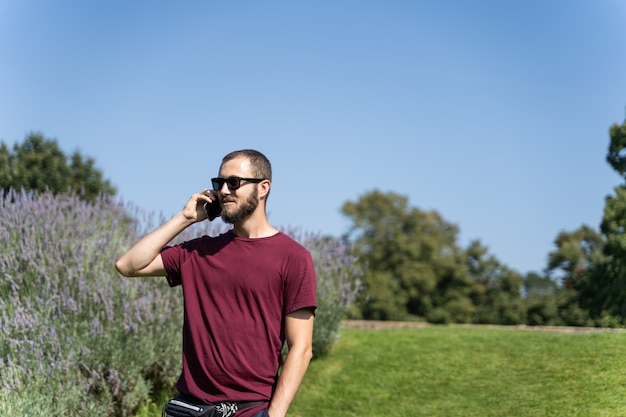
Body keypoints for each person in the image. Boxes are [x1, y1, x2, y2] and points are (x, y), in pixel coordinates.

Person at [115, 149, 317, 417]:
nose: (223, 191)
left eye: (234, 183)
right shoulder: (199, 252)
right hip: (187, 408)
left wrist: (273, 415)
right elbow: (129, 265)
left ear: (263, 188)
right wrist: (185, 218)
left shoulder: (293, 258)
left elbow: (301, 349)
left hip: (247, 410)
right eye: (218, 183)